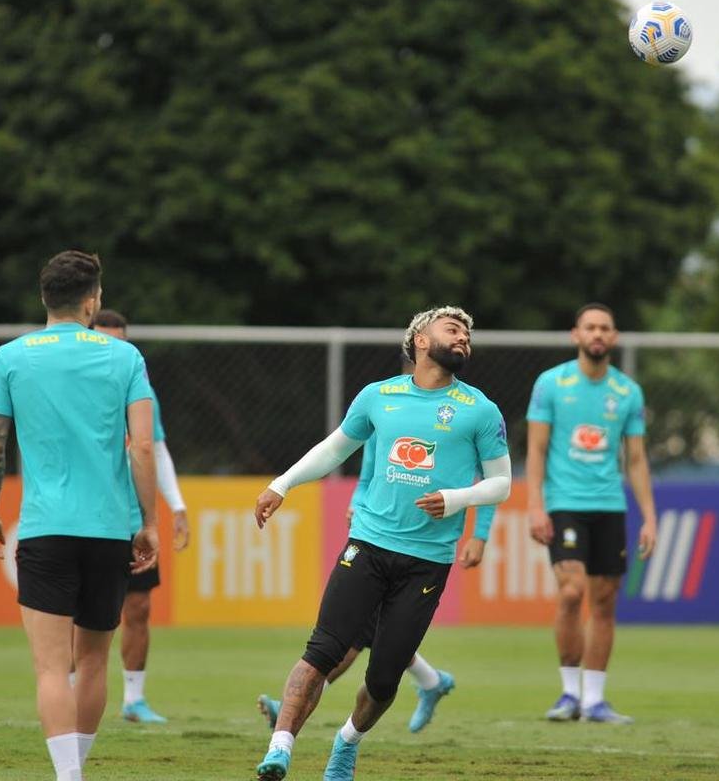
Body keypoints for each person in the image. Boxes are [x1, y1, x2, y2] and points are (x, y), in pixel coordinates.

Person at [252, 306, 511, 781]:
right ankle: (279, 750)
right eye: (453, 329)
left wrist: (458, 499)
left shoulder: (480, 409)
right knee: (322, 649)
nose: (463, 339)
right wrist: (281, 484)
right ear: (419, 339)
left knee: (384, 678)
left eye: (468, 336)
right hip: (367, 546)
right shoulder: (378, 396)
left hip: (427, 563)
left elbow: (501, 484)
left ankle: (347, 743)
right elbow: (334, 449)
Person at [0, 250, 159, 781]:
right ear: (93, 300)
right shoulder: (125, 358)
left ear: (43, 298)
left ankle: (68, 778)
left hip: (45, 530)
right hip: (108, 531)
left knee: (52, 669)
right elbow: (141, 448)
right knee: (96, 662)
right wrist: (146, 522)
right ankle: (77, 770)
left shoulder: (8, 358)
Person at [256, 432, 497, 734]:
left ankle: (428, 681)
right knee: (366, 631)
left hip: (423, 552)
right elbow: (368, 476)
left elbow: (492, 479)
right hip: (375, 540)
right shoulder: (386, 410)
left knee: (366, 633)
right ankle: (431, 680)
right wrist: (357, 504)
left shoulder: (463, 415)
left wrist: (480, 534)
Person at [526, 302, 657, 724]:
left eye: (605, 327)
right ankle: (568, 693)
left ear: (614, 337)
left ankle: (595, 700)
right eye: (590, 327)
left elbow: (635, 459)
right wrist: (534, 505)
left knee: (604, 601)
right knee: (570, 591)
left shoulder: (627, 392)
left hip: (609, 506)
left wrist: (649, 517)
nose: (597, 334)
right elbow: (537, 449)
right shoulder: (551, 384)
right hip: (564, 503)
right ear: (576, 335)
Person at [89, 309, 192, 724]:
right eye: (105, 342)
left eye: (121, 343)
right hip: (88, 517)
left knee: (138, 607)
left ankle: (133, 699)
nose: (114, 350)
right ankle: (72, 694)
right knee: (81, 611)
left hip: (131, 519)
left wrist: (178, 505)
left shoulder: (140, 390)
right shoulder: (75, 388)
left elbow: (155, 448)